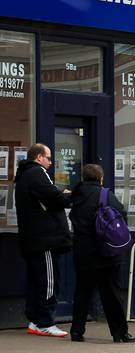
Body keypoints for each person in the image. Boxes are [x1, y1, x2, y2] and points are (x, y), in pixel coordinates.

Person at [68, 164, 134, 343]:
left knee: (82, 292)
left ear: (83, 177)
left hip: (83, 252)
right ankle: (119, 333)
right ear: (100, 178)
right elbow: (121, 217)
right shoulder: (105, 195)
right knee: (112, 294)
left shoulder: (75, 195)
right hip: (105, 252)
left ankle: (76, 331)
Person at [14, 143, 72, 338]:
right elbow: (53, 197)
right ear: (39, 157)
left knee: (36, 281)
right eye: (48, 158)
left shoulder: (24, 175)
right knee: (48, 281)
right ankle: (45, 322)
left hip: (32, 238)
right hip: (44, 239)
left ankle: (35, 320)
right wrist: (65, 196)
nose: (50, 162)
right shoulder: (37, 173)